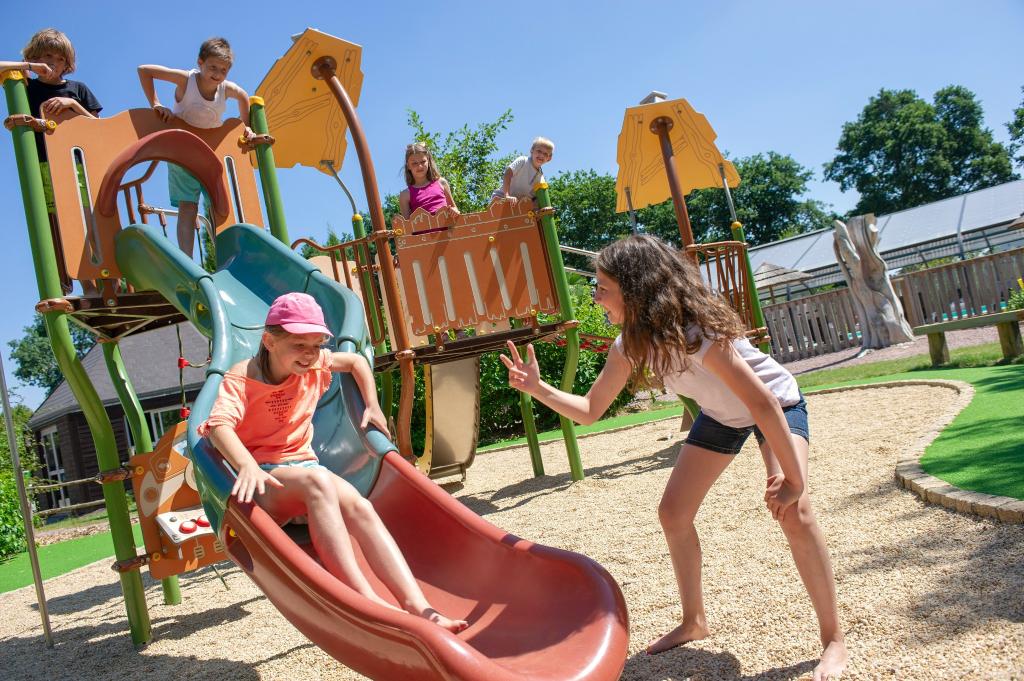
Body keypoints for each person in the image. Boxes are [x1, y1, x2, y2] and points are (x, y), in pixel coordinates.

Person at [499, 235, 847, 681]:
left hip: (776, 406)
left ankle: (833, 640)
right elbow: (590, 411)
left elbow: (762, 404)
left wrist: (795, 480)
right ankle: (693, 621)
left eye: (602, 287)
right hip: (723, 415)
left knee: (793, 512)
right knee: (673, 513)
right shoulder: (629, 344)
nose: (596, 296)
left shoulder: (696, 333)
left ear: (635, 288)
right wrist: (538, 388)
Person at [199, 292, 468, 633]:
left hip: (307, 469)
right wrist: (246, 465)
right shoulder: (242, 378)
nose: (310, 354)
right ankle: (365, 600)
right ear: (269, 340)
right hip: (266, 481)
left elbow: (355, 363)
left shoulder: (316, 363)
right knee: (320, 482)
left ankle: (419, 607)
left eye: (316, 344)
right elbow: (219, 425)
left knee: (360, 506)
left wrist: (371, 404)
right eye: (299, 345)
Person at [1, 28, 102, 293]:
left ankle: (102, 282)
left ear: (67, 63)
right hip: (44, 166)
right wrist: (29, 67)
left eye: (57, 58)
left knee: (85, 220)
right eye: (45, 56)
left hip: (75, 165)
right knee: (59, 223)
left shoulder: (78, 90)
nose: (51, 62)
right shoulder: (27, 86)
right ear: (34, 58)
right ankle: (78, 283)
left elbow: (100, 130)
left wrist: (72, 106)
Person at [137, 37, 253, 257]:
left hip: (210, 153)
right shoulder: (186, 80)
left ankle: (226, 257)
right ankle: (187, 259)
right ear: (200, 62)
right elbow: (144, 70)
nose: (217, 74)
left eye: (224, 70)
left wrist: (245, 127)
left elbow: (244, 97)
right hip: (183, 152)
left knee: (218, 207)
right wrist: (156, 104)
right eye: (212, 67)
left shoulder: (226, 89)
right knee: (188, 206)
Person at [398, 142, 460, 219]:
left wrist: (454, 211)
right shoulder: (405, 195)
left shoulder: (442, 183)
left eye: (423, 162)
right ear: (408, 166)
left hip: (447, 230)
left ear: (428, 161)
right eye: (414, 163)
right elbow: (407, 226)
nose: (420, 166)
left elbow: (455, 209)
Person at [491, 137, 554, 205]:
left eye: (545, 154)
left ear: (549, 158)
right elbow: (508, 174)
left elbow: (534, 199)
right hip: (501, 197)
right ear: (532, 150)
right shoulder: (523, 161)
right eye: (539, 151)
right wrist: (507, 195)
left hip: (516, 205)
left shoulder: (540, 179)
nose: (541, 155)